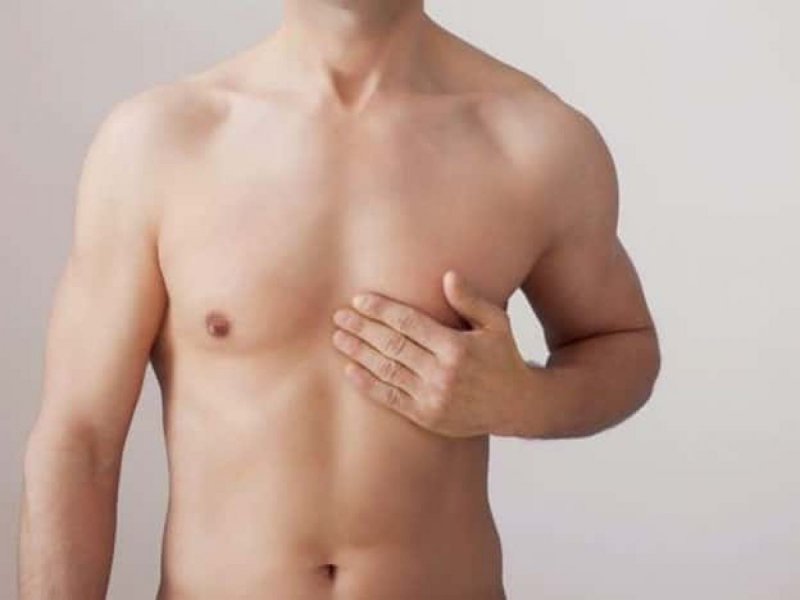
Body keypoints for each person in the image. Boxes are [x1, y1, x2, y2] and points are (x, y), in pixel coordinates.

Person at [18, 1, 661, 598]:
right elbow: (80, 441)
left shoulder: (536, 141)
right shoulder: (158, 144)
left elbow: (622, 343)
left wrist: (522, 400)